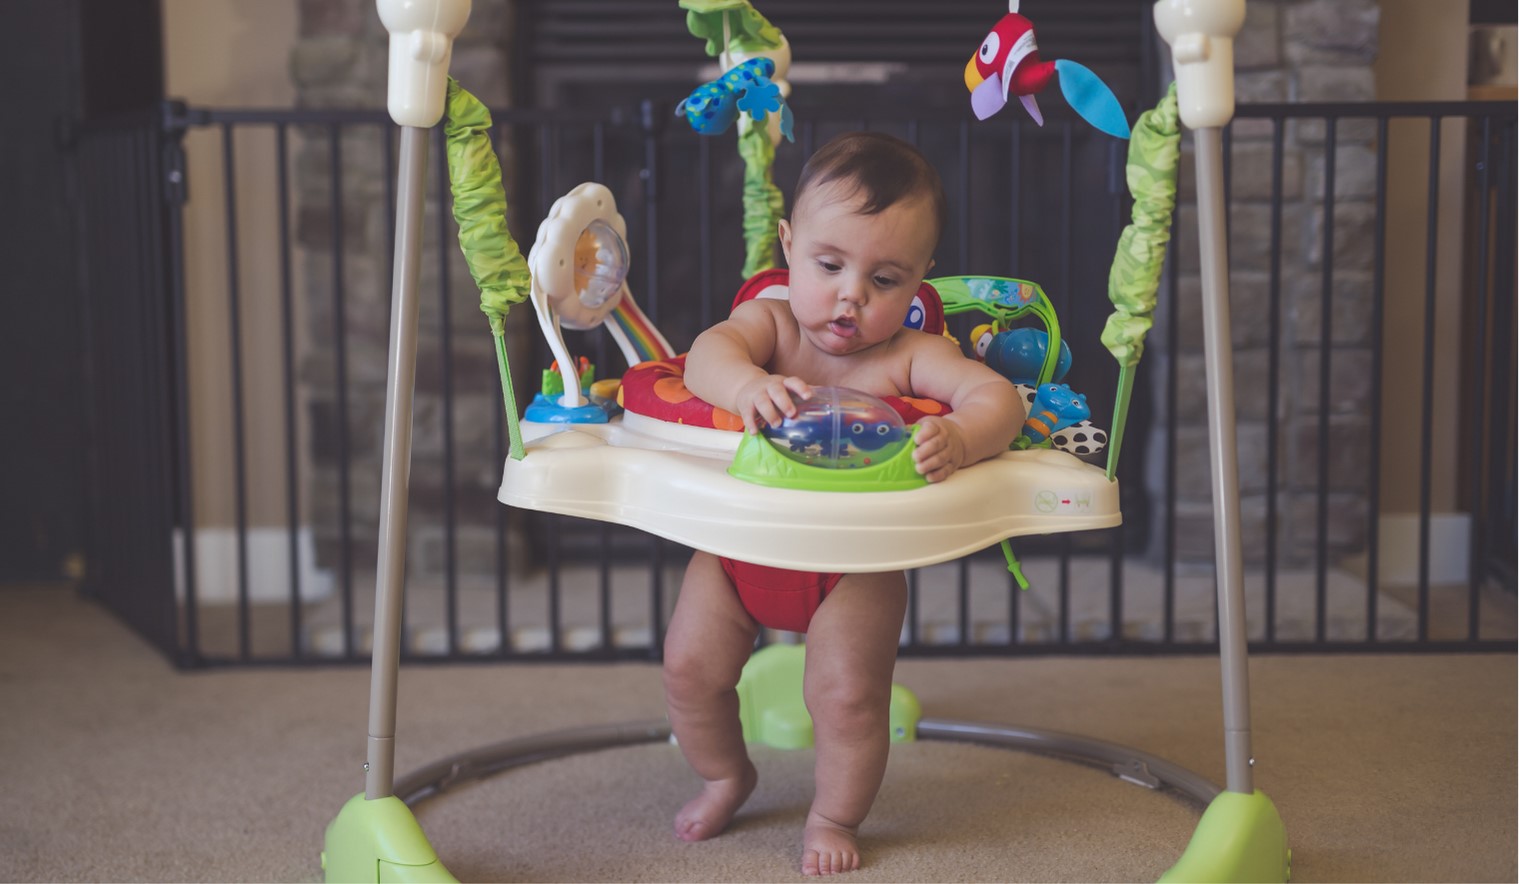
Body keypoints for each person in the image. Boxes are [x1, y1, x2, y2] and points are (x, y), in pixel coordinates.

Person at [660, 131, 1026, 876]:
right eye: (828, 265)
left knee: (849, 699)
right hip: (740, 551)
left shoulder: (907, 358)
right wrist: (745, 387)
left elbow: (999, 399)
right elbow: (704, 355)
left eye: (885, 278)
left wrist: (961, 433)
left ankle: (833, 814)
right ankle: (726, 776)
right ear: (788, 249)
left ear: (922, 277)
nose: (850, 295)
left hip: (855, 565)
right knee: (688, 670)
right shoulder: (771, 327)